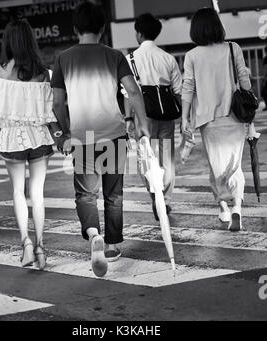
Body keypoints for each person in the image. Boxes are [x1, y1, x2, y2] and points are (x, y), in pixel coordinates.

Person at [51, 2, 149, 277]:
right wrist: (142, 124)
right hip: (114, 134)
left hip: (84, 137)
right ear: (103, 28)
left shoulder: (63, 58)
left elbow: (57, 102)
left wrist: (66, 131)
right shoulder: (114, 55)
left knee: (85, 193)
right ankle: (114, 245)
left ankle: (94, 234)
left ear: (75, 29)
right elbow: (133, 91)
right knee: (113, 194)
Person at [0, 19, 57, 270]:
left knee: (17, 193)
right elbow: (52, 112)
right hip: (39, 138)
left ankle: (26, 246)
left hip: (12, 138)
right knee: (38, 194)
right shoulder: (44, 73)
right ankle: (42, 247)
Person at [181, 8, 253, 231]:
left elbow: (188, 88)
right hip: (234, 116)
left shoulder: (192, 56)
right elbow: (244, 80)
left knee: (216, 165)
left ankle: (223, 207)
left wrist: (185, 118)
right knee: (235, 165)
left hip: (208, 120)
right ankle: (237, 207)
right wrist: (249, 100)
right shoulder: (233, 48)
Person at [123, 13, 182, 221]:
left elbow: (128, 93)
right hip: (166, 114)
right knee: (167, 158)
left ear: (138, 34)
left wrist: (129, 120)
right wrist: (185, 118)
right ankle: (164, 199)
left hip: (143, 117)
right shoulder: (168, 58)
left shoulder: (130, 59)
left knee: (146, 158)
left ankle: (154, 194)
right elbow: (178, 91)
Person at [261, 46, 267, 111]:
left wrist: (264, 78)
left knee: (263, 92)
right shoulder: (265, 59)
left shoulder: (265, 59)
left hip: (266, 77)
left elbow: (265, 68)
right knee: (263, 92)